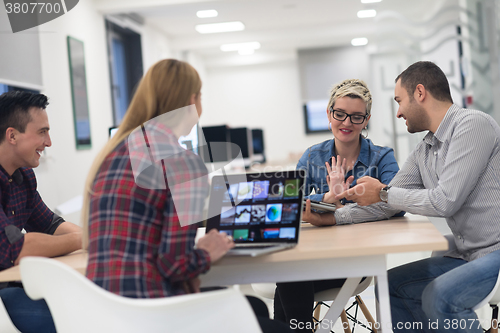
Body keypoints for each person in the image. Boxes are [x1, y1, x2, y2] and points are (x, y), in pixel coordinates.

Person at [82, 59, 292, 332]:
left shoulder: (112, 154)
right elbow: (174, 265)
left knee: (254, 308)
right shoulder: (181, 162)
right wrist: (205, 252)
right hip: (156, 314)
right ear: (193, 100)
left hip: (104, 314)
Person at [335, 61, 500, 332]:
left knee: (442, 296)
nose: (398, 112)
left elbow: (444, 200)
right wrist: (334, 217)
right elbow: (384, 204)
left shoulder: (473, 125)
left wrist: (383, 193)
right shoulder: (426, 149)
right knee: (389, 286)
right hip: (465, 255)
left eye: (399, 101)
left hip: (495, 251)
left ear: (420, 93)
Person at [274, 79, 402, 332]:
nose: (346, 123)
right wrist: (328, 198)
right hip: (317, 256)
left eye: (356, 117)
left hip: (359, 260)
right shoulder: (313, 156)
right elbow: (287, 204)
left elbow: (397, 202)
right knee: (289, 277)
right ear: (329, 114)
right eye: (340, 114)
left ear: (366, 120)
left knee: (288, 282)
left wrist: (341, 205)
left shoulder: (382, 157)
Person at [0, 91, 82, 333]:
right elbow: (17, 248)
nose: (49, 143)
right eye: (42, 132)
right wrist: (84, 239)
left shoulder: (23, 177)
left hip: (12, 286)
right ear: (12, 135)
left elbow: (50, 225)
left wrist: (98, 236)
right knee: (74, 315)